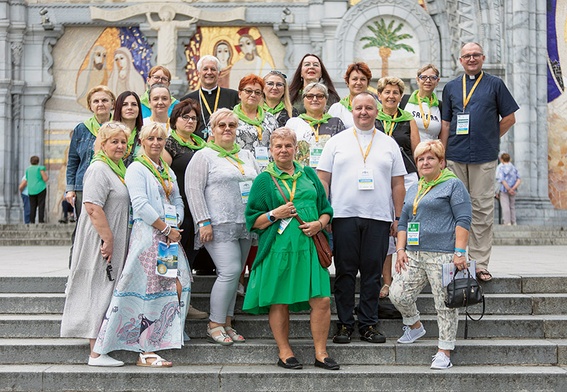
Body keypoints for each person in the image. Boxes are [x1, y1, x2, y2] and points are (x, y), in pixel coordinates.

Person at [94, 123, 191, 368]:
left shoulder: (166, 169)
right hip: (149, 237)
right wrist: (166, 228)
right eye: (151, 138)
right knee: (150, 290)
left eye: (160, 138)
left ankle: (162, 335)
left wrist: (175, 222)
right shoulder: (137, 168)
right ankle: (144, 350)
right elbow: (140, 203)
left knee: (175, 284)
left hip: (168, 238)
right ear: (142, 141)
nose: (156, 142)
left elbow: (177, 199)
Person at [243, 128, 339, 371]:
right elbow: (252, 221)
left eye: (288, 145)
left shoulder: (308, 174)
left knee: (322, 300)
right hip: (279, 248)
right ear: (271, 150)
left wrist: (320, 223)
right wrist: (275, 213)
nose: (284, 150)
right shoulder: (264, 180)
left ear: (296, 148)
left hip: (309, 246)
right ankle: (284, 351)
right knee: (279, 301)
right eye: (279, 146)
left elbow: (327, 208)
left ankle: (321, 352)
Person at [317, 92, 406, 344]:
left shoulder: (388, 143)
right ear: (351, 111)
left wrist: (398, 217)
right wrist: (326, 213)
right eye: (359, 108)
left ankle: (368, 323)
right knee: (345, 272)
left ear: (376, 112)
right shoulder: (336, 142)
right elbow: (323, 178)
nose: (364, 112)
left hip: (378, 217)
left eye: (369, 107)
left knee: (372, 273)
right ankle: (345, 323)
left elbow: (398, 184)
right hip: (343, 216)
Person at [389, 140, 472, 370]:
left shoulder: (453, 185)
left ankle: (444, 350)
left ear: (441, 162)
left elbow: (463, 219)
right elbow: (404, 221)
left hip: (443, 254)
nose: (425, 162)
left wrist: (459, 252)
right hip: (414, 254)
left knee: (444, 304)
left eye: (430, 158)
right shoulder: (416, 187)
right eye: (420, 159)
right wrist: (400, 249)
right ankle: (415, 326)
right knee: (398, 294)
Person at [440, 42, 519, 282]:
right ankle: (455, 260)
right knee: (454, 208)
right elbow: (445, 124)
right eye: (467, 56)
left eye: (476, 55)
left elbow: (510, 118)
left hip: (484, 156)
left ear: (483, 58)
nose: (471, 59)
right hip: (455, 155)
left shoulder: (495, 84)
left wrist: (490, 136)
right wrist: (441, 153)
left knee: (482, 209)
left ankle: (481, 264)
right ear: (460, 60)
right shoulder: (451, 87)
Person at [60, 122, 132, 367]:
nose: (120, 146)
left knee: (106, 287)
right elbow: (92, 206)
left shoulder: (117, 168)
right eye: (114, 141)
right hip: (100, 239)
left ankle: (102, 344)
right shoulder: (99, 168)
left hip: (112, 236)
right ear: (102, 144)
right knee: (99, 287)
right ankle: (95, 352)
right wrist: (108, 239)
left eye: (123, 142)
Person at [186, 108, 260, 345]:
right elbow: (193, 190)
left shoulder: (246, 156)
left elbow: (257, 185)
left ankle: (227, 322)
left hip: (244, 224)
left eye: (231, 125)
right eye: (222, 125)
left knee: (236, 273)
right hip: (217, 224)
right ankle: (214, 323)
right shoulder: (204, 156)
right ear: (212, 129)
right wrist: (203, 221)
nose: (227, 129)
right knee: (229, 270)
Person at [162, 98, 209, 320]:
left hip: (198, 209)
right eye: (185, 117)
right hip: (177, 212)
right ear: (175, 120)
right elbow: (162, 179)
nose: (190, 121)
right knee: (173, 259)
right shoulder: (169, 144)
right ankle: (168, 304)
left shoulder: (203, 144)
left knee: (189, 259)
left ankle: (185, 302)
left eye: (194, 118)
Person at [375, 76, 420, 298]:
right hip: (381, 178)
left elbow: (418, 150)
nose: (391, 96)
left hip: (407, 176)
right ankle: (386, 281)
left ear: (400, 97)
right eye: (387, 92)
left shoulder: (408, 119)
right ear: (379, 95)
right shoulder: (373, 119)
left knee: (406, 226)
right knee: (386, 229)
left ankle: (407, 278)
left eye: (395, 93)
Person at [66, 85, 115, 224]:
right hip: (83, 186)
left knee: (108, 226)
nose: (100, 104)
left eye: (105, 100)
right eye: (96, 101)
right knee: (84, 228)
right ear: (90, 106)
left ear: (112, 103)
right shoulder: (81, 129)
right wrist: (70, 189)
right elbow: (73, 161)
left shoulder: (118, 127)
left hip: (112, 185)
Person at [285, 82, 345, 168]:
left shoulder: (335, 123)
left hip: (328, 174)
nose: (315, 99)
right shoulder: (293, 123)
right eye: (310, 96)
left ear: (326, 99)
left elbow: (342, 151)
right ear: (303, 100)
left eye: (320, 96)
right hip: (300, 175)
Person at [180, 55, 240, 139]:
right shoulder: (187, 100)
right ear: (198, 73)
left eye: (213, 69)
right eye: (205, 69)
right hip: (196, 147)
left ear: (219, 73)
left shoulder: (233, 96)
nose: (209, 72)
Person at [233, 74, 278, 166]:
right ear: (240, 93)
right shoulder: (229, 118)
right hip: (240, 168)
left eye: (257, 92)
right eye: (248, 91)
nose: (253, 95)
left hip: (268, 170)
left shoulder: (270, 118)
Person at [403, 64, 442, 142]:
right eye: (423, 77)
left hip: (430, 152)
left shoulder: (440, 106)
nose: (428, 80)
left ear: (437, 81)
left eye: (432, 78)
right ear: (417, 80)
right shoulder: (404, 101)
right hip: (408, 153)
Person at [328, 62, 373, 128]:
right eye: (354, 79)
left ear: (367, 83)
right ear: (347, 82)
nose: (358, 83)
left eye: (363, 79)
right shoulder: (337, 109)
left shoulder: (377, 108)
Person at [112, 91, 143, 167]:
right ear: (119, 108)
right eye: (125, 105)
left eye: (134, 104)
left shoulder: (145, 135)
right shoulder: (107, 133)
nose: (130, 108)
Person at [496, 152, 521, 225]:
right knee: (512, 206)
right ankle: (514, 221)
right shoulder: (514, 168)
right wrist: (513, 188)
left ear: (502, 159)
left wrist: (508, 189)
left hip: (504, 189)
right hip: (513, 190)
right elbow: (519, 179)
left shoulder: (501, 167)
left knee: (505, 206)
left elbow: (502, 180)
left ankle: (507, 222)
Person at [23, 156, 49, 224]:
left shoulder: (28, 169)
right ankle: (41, 221)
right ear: (38, 161)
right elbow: (45, 178)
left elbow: (27, 179)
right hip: (40, 188)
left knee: (32, 206)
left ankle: (32, 221)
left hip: (31, 190)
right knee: (41, 205)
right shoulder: (40, 168)